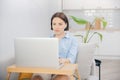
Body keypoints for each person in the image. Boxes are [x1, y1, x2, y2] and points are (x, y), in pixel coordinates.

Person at [18, 12, 78, 80]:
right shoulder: (47, 39)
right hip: (47, 69)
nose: (56, 27)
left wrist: (59, 60)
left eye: (60, 24)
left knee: (62, 78)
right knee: (37, 77)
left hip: (63, 70)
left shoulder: (73, 40)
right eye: (54, 24)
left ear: (65, 25)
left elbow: (71, 59)